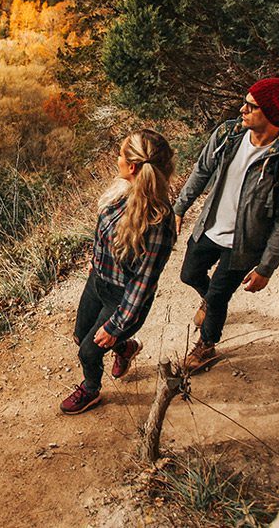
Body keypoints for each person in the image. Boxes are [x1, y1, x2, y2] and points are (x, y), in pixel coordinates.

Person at [174, 78, 279, 375]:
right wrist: (179, 209)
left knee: (218, 296)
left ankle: (207, 345)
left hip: (244, 244)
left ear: (272, 113)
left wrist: (266, 267)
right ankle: (210, 300)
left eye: (251, 106)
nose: (242, 109)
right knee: (189, 274)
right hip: (210, 227)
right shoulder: (228, 135)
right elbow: (201, 172)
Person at [60, 129, 177, 415]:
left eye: (121, 154)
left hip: (121, 298)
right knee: (80, 335)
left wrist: (115, 328)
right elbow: (104, 234)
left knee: (88, 350)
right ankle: (125, 349)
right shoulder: (119, 193)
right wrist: (95, 259)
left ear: (133, 166)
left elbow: (142, 284)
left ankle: (90, 390)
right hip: (98, 281)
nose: (117, 158)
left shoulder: (157, 222)